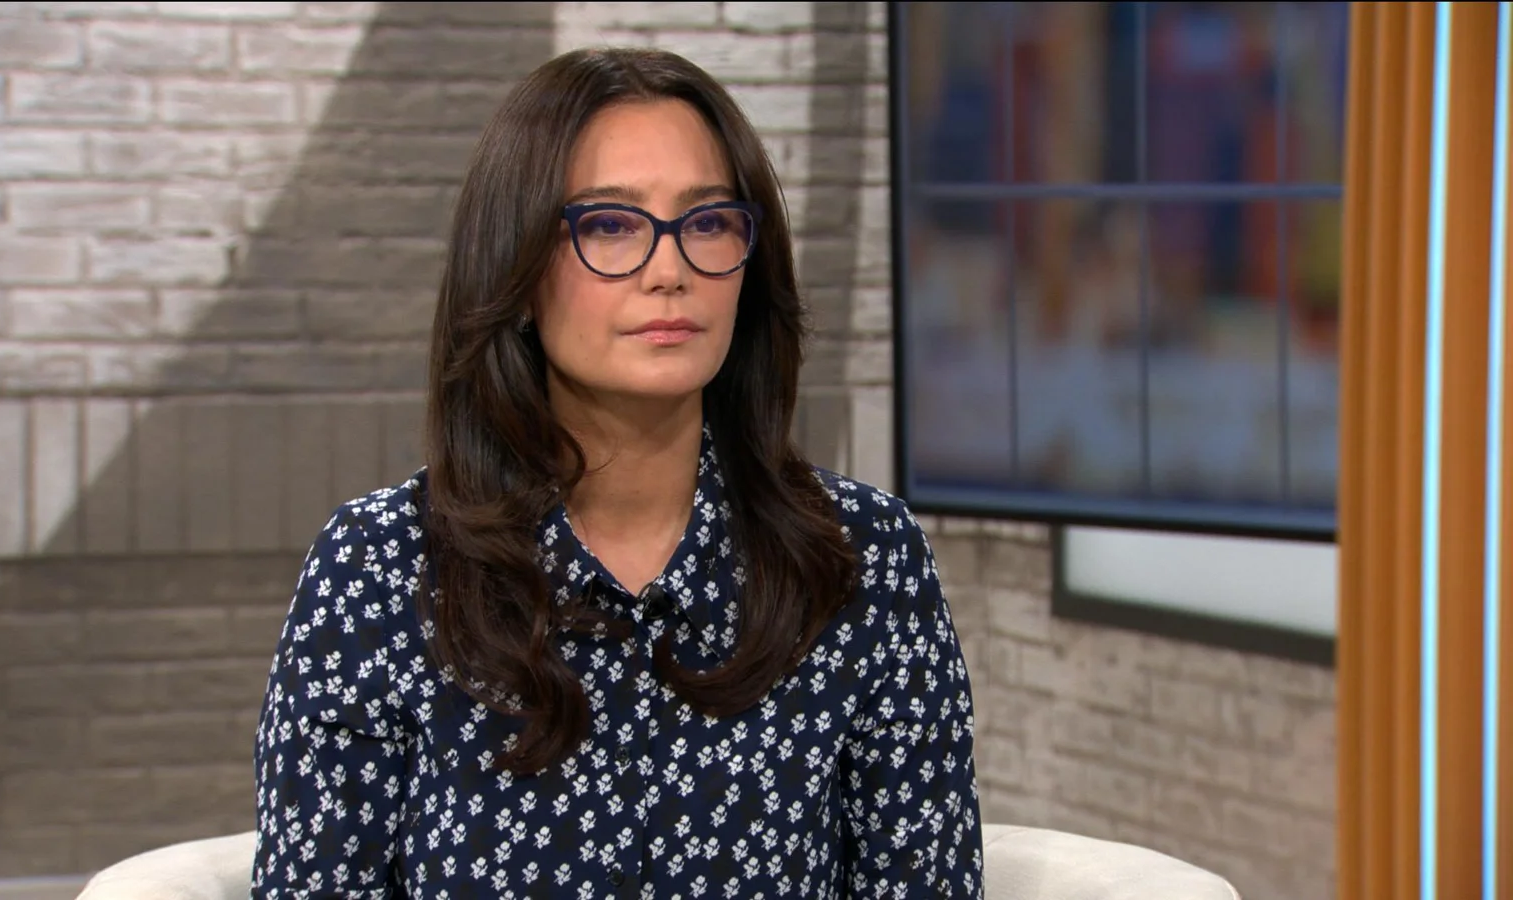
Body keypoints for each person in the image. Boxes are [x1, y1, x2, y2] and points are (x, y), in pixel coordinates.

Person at [250, 46, 986, 899]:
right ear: (517, 268)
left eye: (707, 222)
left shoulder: (865, 557)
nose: (670, 271)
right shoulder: (380, 569)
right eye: (609, 225)